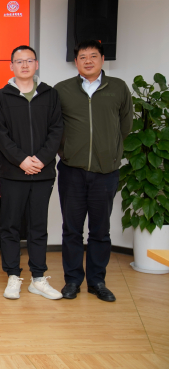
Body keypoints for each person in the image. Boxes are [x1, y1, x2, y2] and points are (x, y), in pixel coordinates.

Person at [55, 40, 133, 302]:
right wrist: (66, 151)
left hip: (105, 172)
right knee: (72, 230)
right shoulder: (63, 89)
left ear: (102, 59)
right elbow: (55, 127)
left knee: (100, 231)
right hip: (72, 171)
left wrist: (110, 152)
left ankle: (97, 281)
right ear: (75, 62)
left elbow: (125, 126)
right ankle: (72, 280)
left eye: (93, 56)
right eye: (82, 57)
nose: (88, 61)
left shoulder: (118, 87)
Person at [0, 45, 64, 300]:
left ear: (36, 64)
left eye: (29, 60)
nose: (24, 65)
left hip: (43, 173)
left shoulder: (50, 94)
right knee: (10, 226)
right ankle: (13, 276)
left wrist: (41, 160)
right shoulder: (1, 96)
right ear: (11, 66)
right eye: (19, 61)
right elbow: (0, 133)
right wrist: (22, 160)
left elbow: (57, 130)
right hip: (13, 173)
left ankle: (38, 278)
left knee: (38, 225)